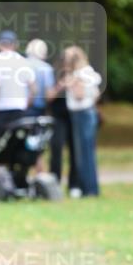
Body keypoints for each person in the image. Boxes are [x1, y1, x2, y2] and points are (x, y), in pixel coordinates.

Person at [62, 45, 102, 197]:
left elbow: (79, 95)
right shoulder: (89, 72)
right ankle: (91, 188)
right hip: (89, 112)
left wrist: (69, 83)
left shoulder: (78, 75)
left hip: (81, 114)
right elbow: (96, 94)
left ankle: (88, 190)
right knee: (88, 152)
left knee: (83, 153)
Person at [0, 30, 36, 137]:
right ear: (16, 44)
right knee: (17, 143)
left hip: (1, 109)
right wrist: (25, 105)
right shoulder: (24, 62)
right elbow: (34, 90)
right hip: (19, 109)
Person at [48, 51, 80, 195]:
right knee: (56, 149)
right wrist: (61, 84)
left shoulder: (79, 75)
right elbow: (48, 97)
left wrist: (73, 83)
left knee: (75, 150)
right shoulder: (54, 74)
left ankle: (74, 185)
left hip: (74, 116)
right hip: (58, 116)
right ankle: (55, 182)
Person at [25, 39, 55, 114]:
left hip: (19, 108)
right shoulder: (46, 68)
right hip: (38, 110)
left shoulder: (20, 65)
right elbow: (48, 95)